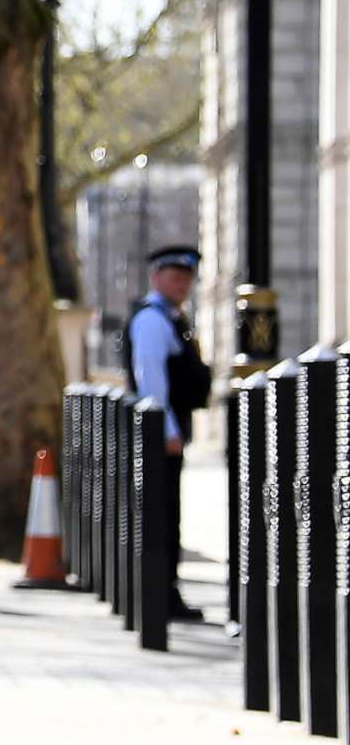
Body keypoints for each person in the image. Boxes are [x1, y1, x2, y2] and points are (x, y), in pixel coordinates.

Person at [124, 243, 212, 621]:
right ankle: (160, 595)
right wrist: (167, 430)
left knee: (166, 513)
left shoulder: (171, 317)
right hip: (160, 433)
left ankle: (164, 591)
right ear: (156, 276)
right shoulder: (153, 320)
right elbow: (152, 380)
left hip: (166, 430)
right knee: (160, 515)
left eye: (186, 280)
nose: (182, 286)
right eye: (175, 278)